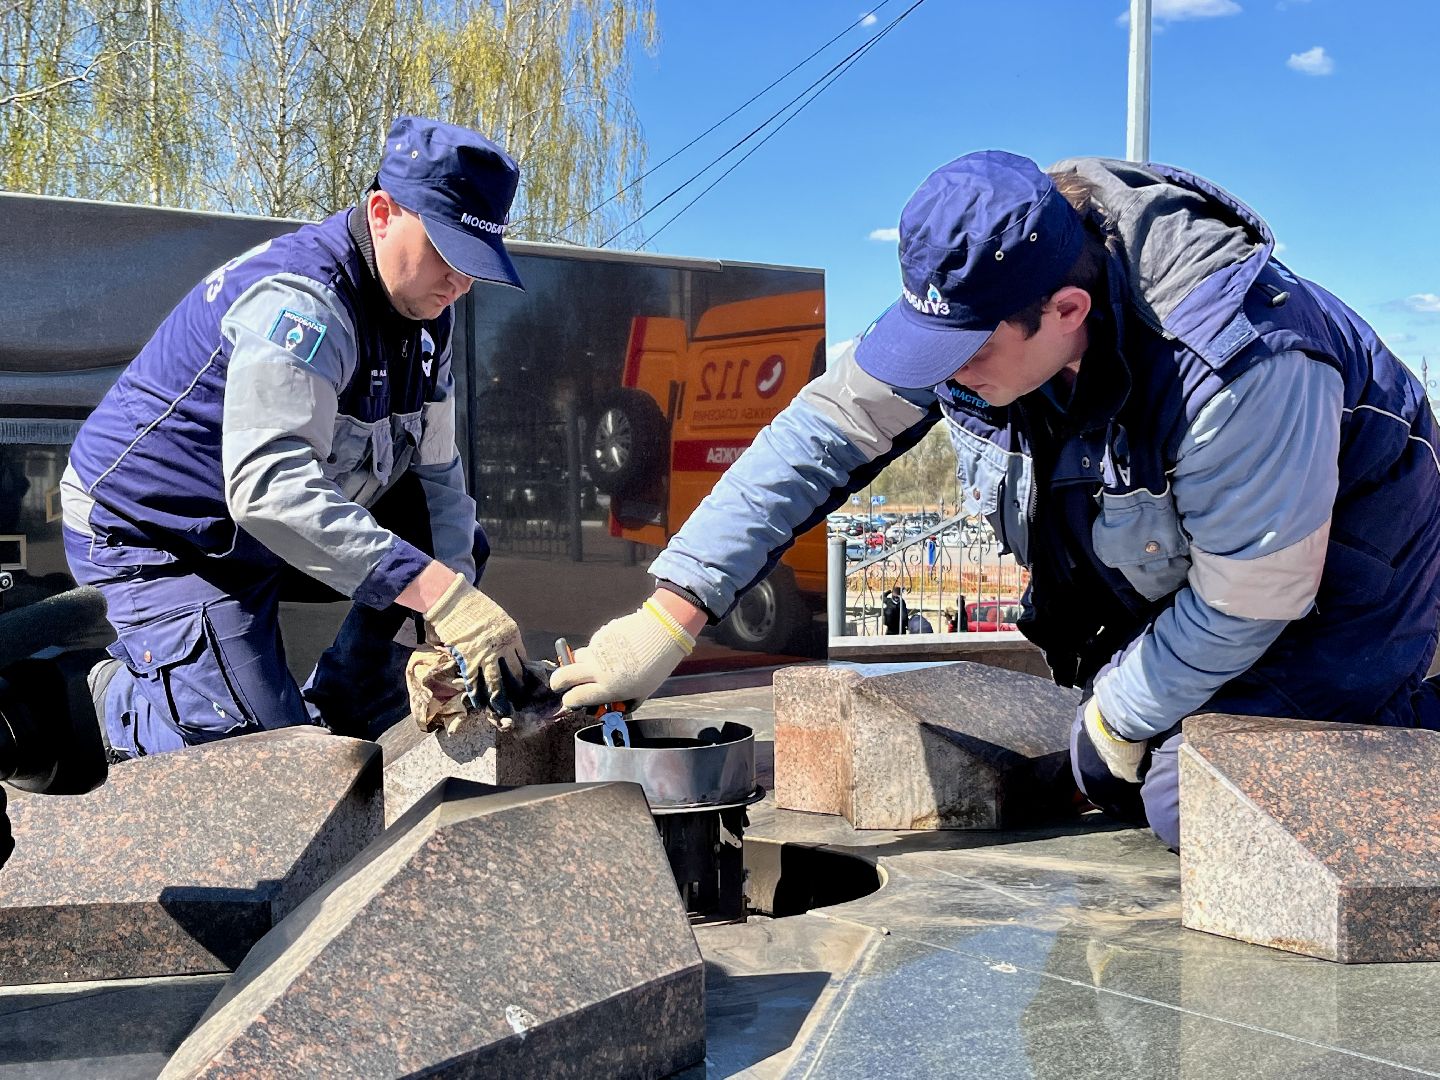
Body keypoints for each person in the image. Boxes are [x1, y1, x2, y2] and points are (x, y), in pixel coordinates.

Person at [551, 150, 1440, 851]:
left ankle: (1409, 726)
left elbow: (1254, 595)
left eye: (966, 353)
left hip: (1345, 587)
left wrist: (1119, 718)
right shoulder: (979, 288)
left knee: (1196, 800)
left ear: (1065, 310)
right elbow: (817, 435)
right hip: (1210, 581)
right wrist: (669, 618)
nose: (942, 375)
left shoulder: (1237, 365)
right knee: (1133, 777)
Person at [55, 116, 535, 759]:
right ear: (383, 211)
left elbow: (437, 478)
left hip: (258, 523)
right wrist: (442, 597)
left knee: (447, 550)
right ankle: (110, 698)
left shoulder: (428, 316)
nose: (460, 283)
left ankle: (347, 705)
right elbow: (269, 489)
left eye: (475, 265)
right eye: (446, 254)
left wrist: (449, 618)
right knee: (253, 758)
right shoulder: (304, 302)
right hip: (158, 528)